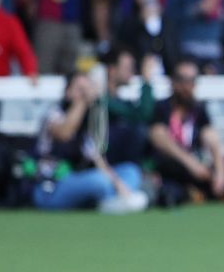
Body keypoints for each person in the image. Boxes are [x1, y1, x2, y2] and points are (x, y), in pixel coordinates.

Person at [31, 70, 148, 213]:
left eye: (87, 90)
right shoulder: (54, 113)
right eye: (80, 89)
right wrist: (82, 102)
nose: (85, 94)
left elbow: (98, 160)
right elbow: (65, 133)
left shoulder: (87, 123)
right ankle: (110, 200)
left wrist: (120, 186)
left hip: (80, 178)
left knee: (130, 171)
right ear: (68, 92)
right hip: (52, 186)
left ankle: (114, 200)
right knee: (99, 181)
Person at [151, 59, 224, 205]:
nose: (187, 86)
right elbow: (158, 136)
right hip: (177, 165)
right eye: (183, 80)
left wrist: (220, 173)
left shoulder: (198, 109)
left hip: (199, 167)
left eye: (192, 81)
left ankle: (211, 189)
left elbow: (211, 136)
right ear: (173, 82)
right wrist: (191, 164)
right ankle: (211, 192)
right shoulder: (163, 107)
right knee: (169, 171)